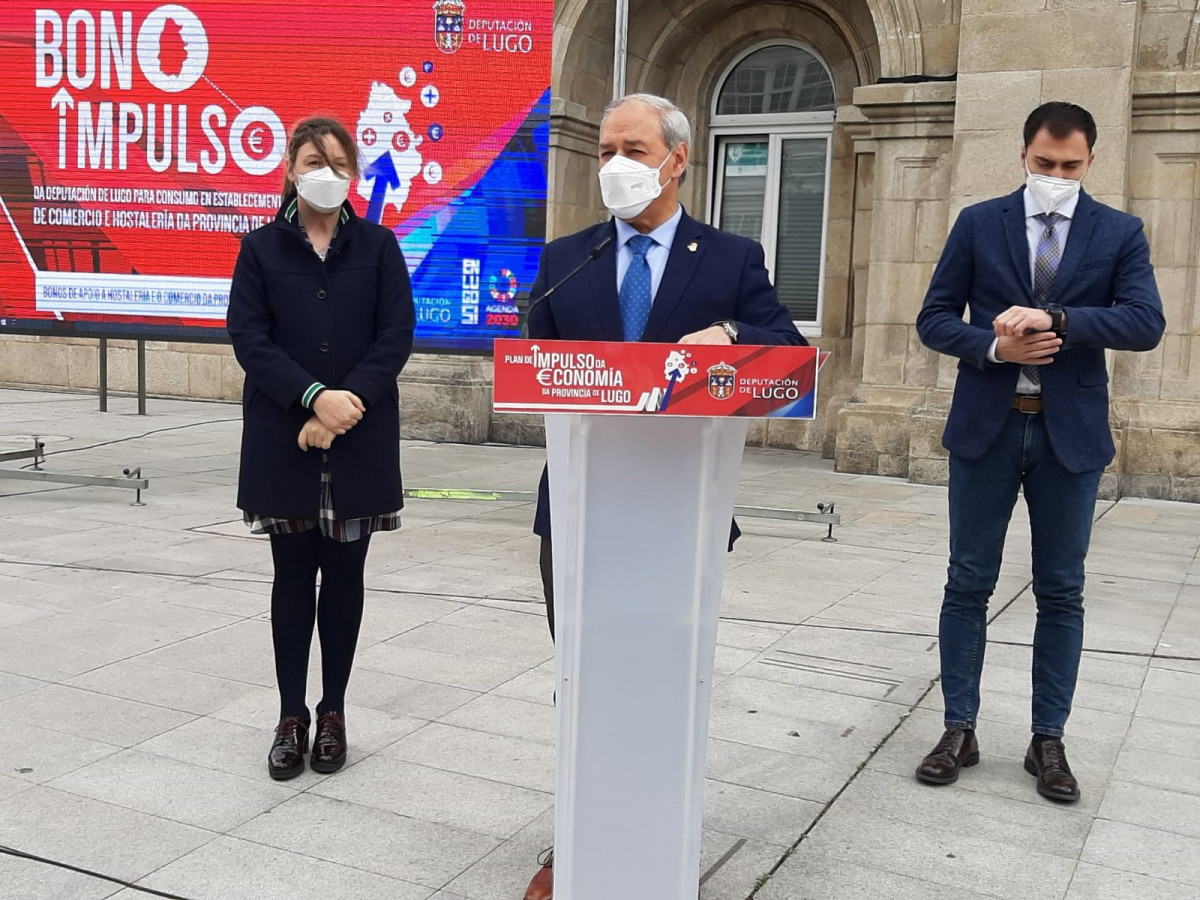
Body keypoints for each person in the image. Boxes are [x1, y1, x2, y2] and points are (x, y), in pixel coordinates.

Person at [521, 92, 806, 900]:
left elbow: (785, 351)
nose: (615, 164)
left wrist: (733, 339)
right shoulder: (566, 257)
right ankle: (577, 833)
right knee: (581, 670)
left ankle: (654, 829)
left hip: (680, 509)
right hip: (579, 507)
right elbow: (532, 359)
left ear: (677, 159)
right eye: (606, 148)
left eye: (634, 150)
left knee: (661, 668)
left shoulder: (729, 259)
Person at [914, 102, 1164, 803]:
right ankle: (958, 727)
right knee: (968, 581)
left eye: (1070, 166)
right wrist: (994, 345)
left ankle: (1047, 739)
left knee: (1061, 589)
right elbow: (933, 318)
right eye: (1045, 163)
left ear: (1089, 162)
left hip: (1069, 434)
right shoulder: (978, 223)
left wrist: (1056, 319)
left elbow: (1145, 323)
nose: (1056, 176)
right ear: (1023, 155)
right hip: (988, 426)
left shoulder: (1118, 232)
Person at [226, 116, 415, 781]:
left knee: (344, 580)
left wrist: (342, 408)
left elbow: (394, 336)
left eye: (338, 163)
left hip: (357, 441)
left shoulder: (380, 246)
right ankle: (290, 715)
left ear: (355, 175)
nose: (325, 173)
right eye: (313, 161)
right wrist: (311, 398)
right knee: (290, 579)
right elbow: (250, 339)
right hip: (286, 440)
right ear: (289, 167)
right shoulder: (259, 249)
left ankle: (333, 711)